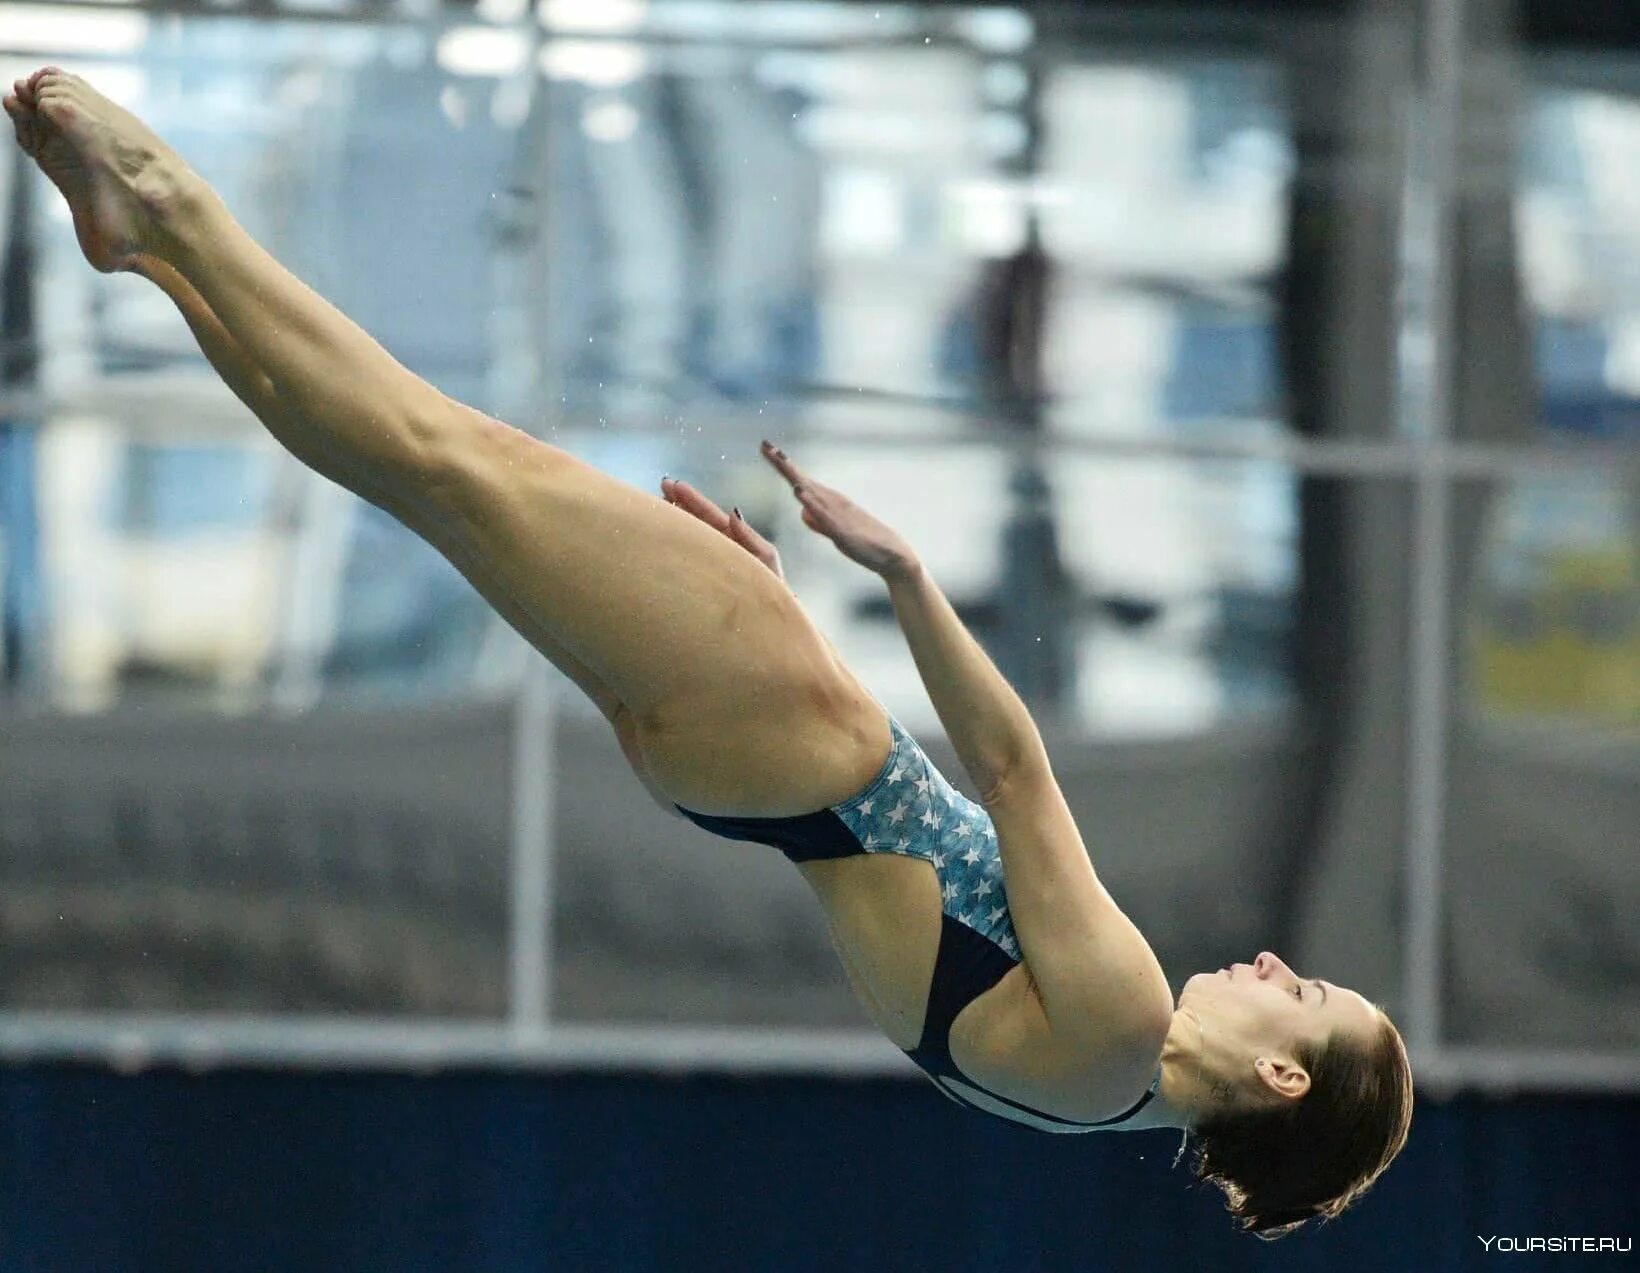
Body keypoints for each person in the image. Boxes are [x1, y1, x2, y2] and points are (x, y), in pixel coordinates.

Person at [4, 67, 1410, 1237]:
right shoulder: (1068, 1102)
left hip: (788, 731)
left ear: (1284, 1075)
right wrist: (778, 632)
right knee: (429, 482)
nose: (1281, 961)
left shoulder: (1121, 1022)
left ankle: (177, 207)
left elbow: (1005, 761)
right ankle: (168, 258)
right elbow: (910, 857)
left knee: (448, 453)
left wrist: (901, 576)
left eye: (1307, 992)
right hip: (753, 765)